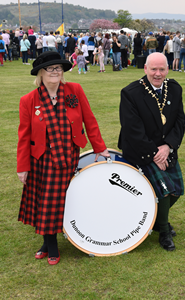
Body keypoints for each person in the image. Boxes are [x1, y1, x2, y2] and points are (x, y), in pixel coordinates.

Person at [17, 51, 110, 265]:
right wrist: (22, 167)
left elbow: (89, 119)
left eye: (58, 68)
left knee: (62, 200)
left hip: (69, 155)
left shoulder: (74, 90)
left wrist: (100, 148)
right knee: (47, 202)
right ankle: (51, 246)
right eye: (50, 68)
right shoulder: (29, 100)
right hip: (42, 159)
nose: (55, 72)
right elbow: (23, 137)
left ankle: (46, 242)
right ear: (41, 73)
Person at [118, 52, 185, 251]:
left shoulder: (174, 89)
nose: (158, 73)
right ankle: (163, 231)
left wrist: (168, 146)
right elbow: (132, 129)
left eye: (162, 69)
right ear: (145, 69)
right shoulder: (131, 92)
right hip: (141, 150)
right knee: (164, 191)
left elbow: (180, 122)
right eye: (153, 69)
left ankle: (156, 220)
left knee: (177, 190)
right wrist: (155, 154)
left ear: (167, 69)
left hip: (166, 148)